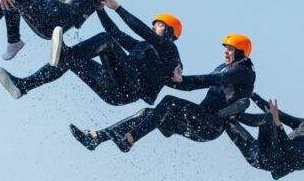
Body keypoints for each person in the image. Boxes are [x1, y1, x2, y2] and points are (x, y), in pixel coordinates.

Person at [70, 34, 255, 152]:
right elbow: (193, 85)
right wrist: (166, 79)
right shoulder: (223, 67)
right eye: (225, 48)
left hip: (210, 124)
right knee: (148, 113)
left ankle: (130, 139)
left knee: (169, 102)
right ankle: (96, 138)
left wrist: (182, 80)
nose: (225, 52)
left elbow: (213, 80)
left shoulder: (243, 71)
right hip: (198, 121)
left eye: (230, 49)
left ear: (241, 52)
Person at [0, 0, 182, 106]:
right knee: (79, 57)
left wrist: (117, 7)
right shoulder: (144, 47)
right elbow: (115, 31)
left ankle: (65, 54)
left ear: (170, 32)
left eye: (158, 25)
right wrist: (100, 10)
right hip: (113, 91)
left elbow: (140, 29)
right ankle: (23, 86)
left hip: (129, 88)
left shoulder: (170, 52)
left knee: (104, 41)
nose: (153, 27)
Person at [225, 94, 304, 179]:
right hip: (255, 149)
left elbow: (290, 149)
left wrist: (278, 125)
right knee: (224, 120)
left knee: (268, 119)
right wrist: (252, 95)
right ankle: (222, 115)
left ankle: (235, 115)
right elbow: (278, 114)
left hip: (271, 160)